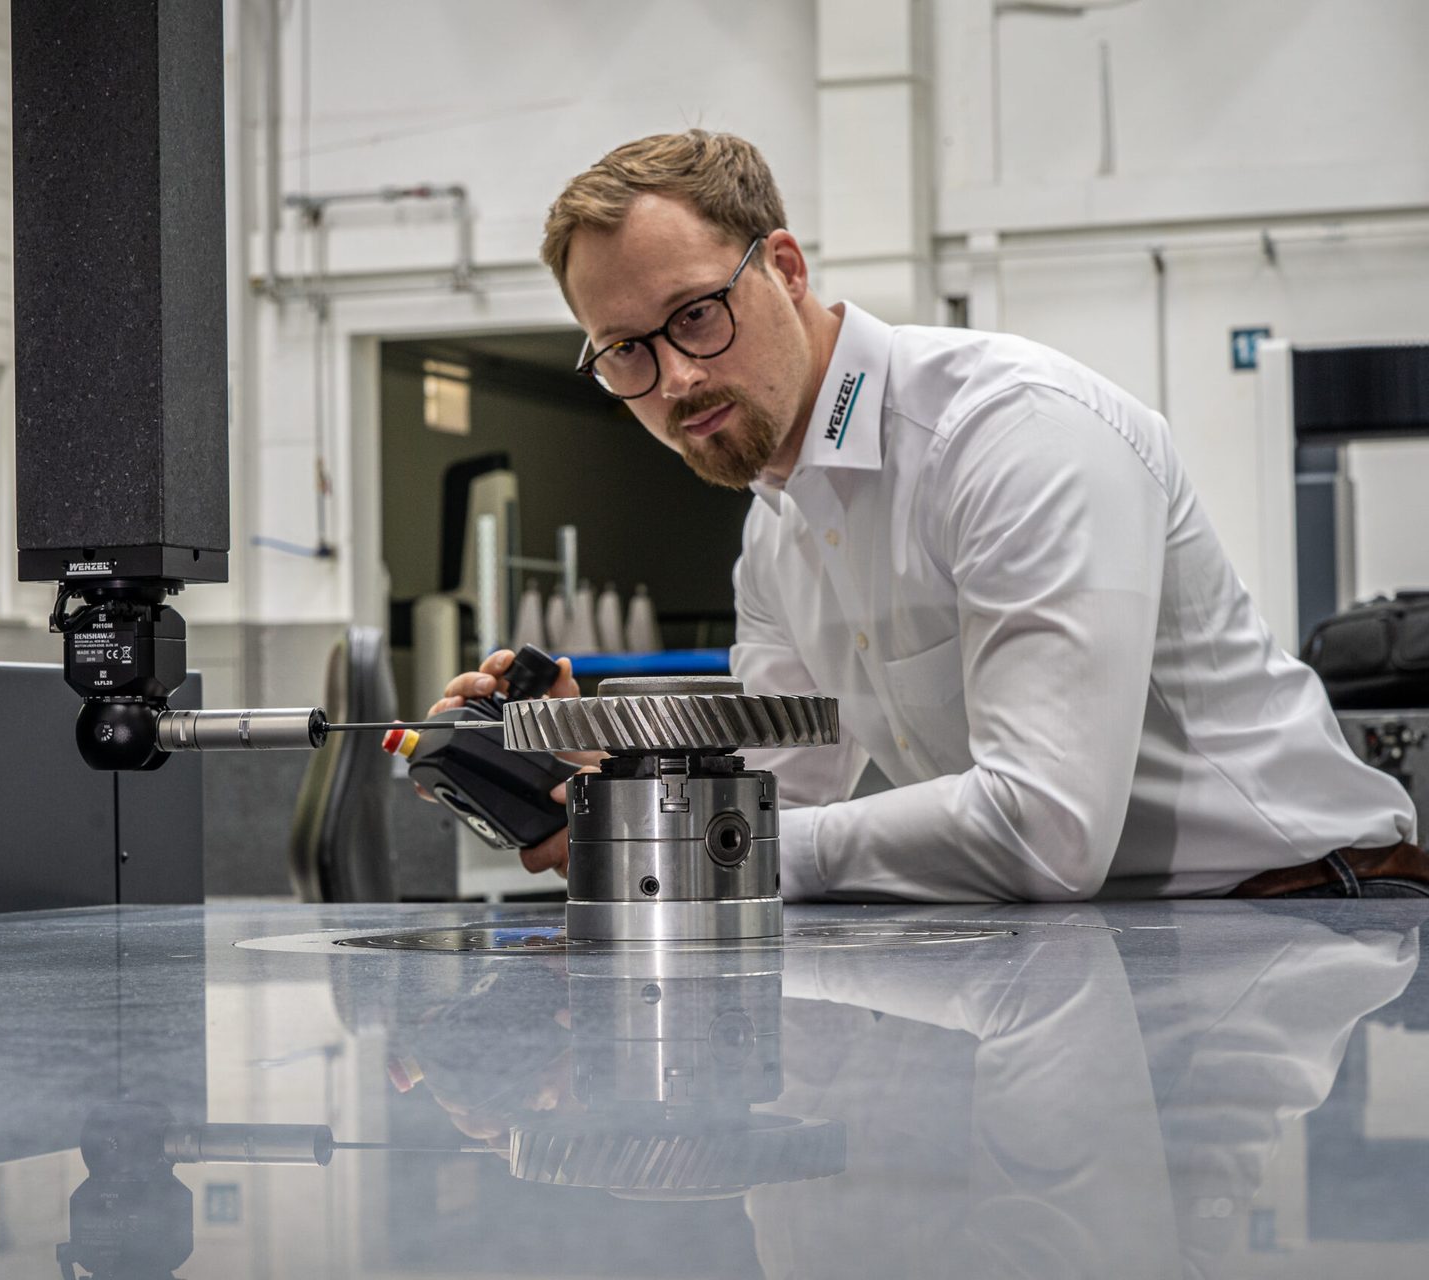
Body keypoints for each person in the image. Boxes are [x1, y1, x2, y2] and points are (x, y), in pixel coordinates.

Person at [429, 129, 1429, 901]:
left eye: (696, 313)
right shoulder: (777, 530)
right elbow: (791, 791)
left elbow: (1046, 829)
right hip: (1122, 932)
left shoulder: (1010, 436)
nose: (677, 376)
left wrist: (689, 839)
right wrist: (614, 776)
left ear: (784, 266)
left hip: (1312, 907)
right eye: (625, 352)